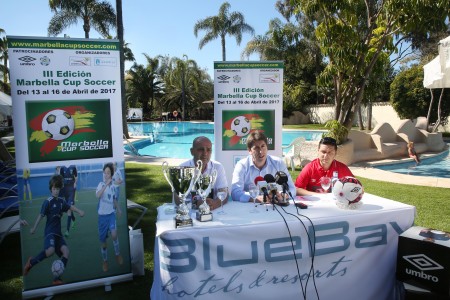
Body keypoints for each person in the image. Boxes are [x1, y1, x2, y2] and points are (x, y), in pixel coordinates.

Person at [23, 175, 85, 285]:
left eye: (57, 189)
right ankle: (31, 263)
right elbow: (41, 215)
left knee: (66, 252)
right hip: (50, 232)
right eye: (54, 189)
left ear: (60, 189)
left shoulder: (61, 201)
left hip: (58, 234)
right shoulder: (48, 202)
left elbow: (70, 207)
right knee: (50, 251)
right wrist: (34, 228)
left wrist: (79, 211)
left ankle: (57, 278)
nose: (56, 191)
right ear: (51, 189)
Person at [231, 130, 296, 203]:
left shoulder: (278, 163)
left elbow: (292, 189)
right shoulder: (242, 165)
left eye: (263, 146)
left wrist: (284, 195)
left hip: (274, 206)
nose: (261, 151)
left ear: (267, 147)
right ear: (249, 150)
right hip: (250, 208)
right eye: (256, 148)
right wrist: (255, 198)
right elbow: (235, 193)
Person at [179, 136, 228, 210]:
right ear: (192, 151)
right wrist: (196, 203)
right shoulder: (183, 168)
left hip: (213, 211)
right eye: (201, 149)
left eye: (209, 150)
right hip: (188, 212)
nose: (205, 153)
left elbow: (224, 193)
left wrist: (215, 204)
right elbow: (177, 197)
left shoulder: (218, 167)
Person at [97, 163, 123, 272]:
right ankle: (105, 261)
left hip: (111, 214)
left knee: (114, 234)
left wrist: (119, 209)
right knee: (103, 242)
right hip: (102, 217)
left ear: (111, 175)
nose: (106, 174)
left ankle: (117, 254)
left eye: (108, 173)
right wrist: (105, 185)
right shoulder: (100, 184)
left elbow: (114, 199)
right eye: (105, 172)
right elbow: (98, 195)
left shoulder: (113, 187)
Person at [59, 165, 78, 237]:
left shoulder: (73, 166)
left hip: (71, 189)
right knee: (67, 207)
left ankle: (67, 231)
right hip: (64, 189)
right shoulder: (62, 167)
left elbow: (76, 176)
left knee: (69, 208)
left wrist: (75, 183)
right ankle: (73, 218)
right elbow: (61, 178)